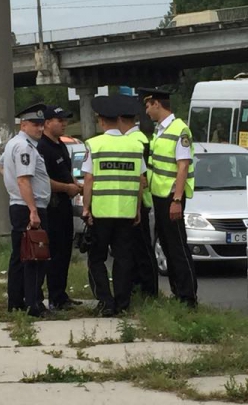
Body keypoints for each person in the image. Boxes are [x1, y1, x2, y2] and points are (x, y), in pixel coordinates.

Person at [81, 96, 146, 316]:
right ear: (119, 121)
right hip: (126, 211)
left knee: (97, 258)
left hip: (101, 212)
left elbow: (88, 180)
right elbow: (140, 181)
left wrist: (86, 208)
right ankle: (122, 303)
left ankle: (105, 301)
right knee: (123, 258)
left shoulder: (94, 144)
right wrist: (137, 208)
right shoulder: (135, 146)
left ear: (100, 121)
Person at [139, 87, 198, 308]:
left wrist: (176, 199)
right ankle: (177, 292)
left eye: (148, 105)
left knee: (177, 246)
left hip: (171, 196)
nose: (146, 111)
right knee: (166, 244)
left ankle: (188, 296)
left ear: (156, 104)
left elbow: (183, 166)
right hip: (159, 195)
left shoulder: (179, 129)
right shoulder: (160, 130)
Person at [0, 103, 51, 318]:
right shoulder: (24, 147)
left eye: (42, 124)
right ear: (23, 125)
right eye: (35, 124)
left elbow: (1, 165)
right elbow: (23, 180)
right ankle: (33, 305)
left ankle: (16, 301)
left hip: (19, 205)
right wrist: (33, 210)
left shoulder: (14, 143)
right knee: (34, 258)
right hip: (29, 207)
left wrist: (9, 182)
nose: (40, 129)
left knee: (20, 256)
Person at [111, 94, 158, 298]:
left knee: (142, 251)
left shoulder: (135, 141)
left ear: (121, 119)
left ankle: (148, 291)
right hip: (136, 201)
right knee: (136, 251)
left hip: (140, 202)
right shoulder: (138, 138)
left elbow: (142, 176)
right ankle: (141, 288)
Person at [36, 105, 84, 310]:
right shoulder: (43, 148)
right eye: (59, 120)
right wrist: (67, 188)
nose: (64, 124)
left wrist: (76, 185)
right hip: (52, 206)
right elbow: (42, 180)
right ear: (47, 123)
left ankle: (61, 295)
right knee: (54, 252)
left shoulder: (61, 145)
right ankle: (54, 296)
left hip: (65, 204)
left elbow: (66, 171)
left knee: (65, 251)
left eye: (65, 120)